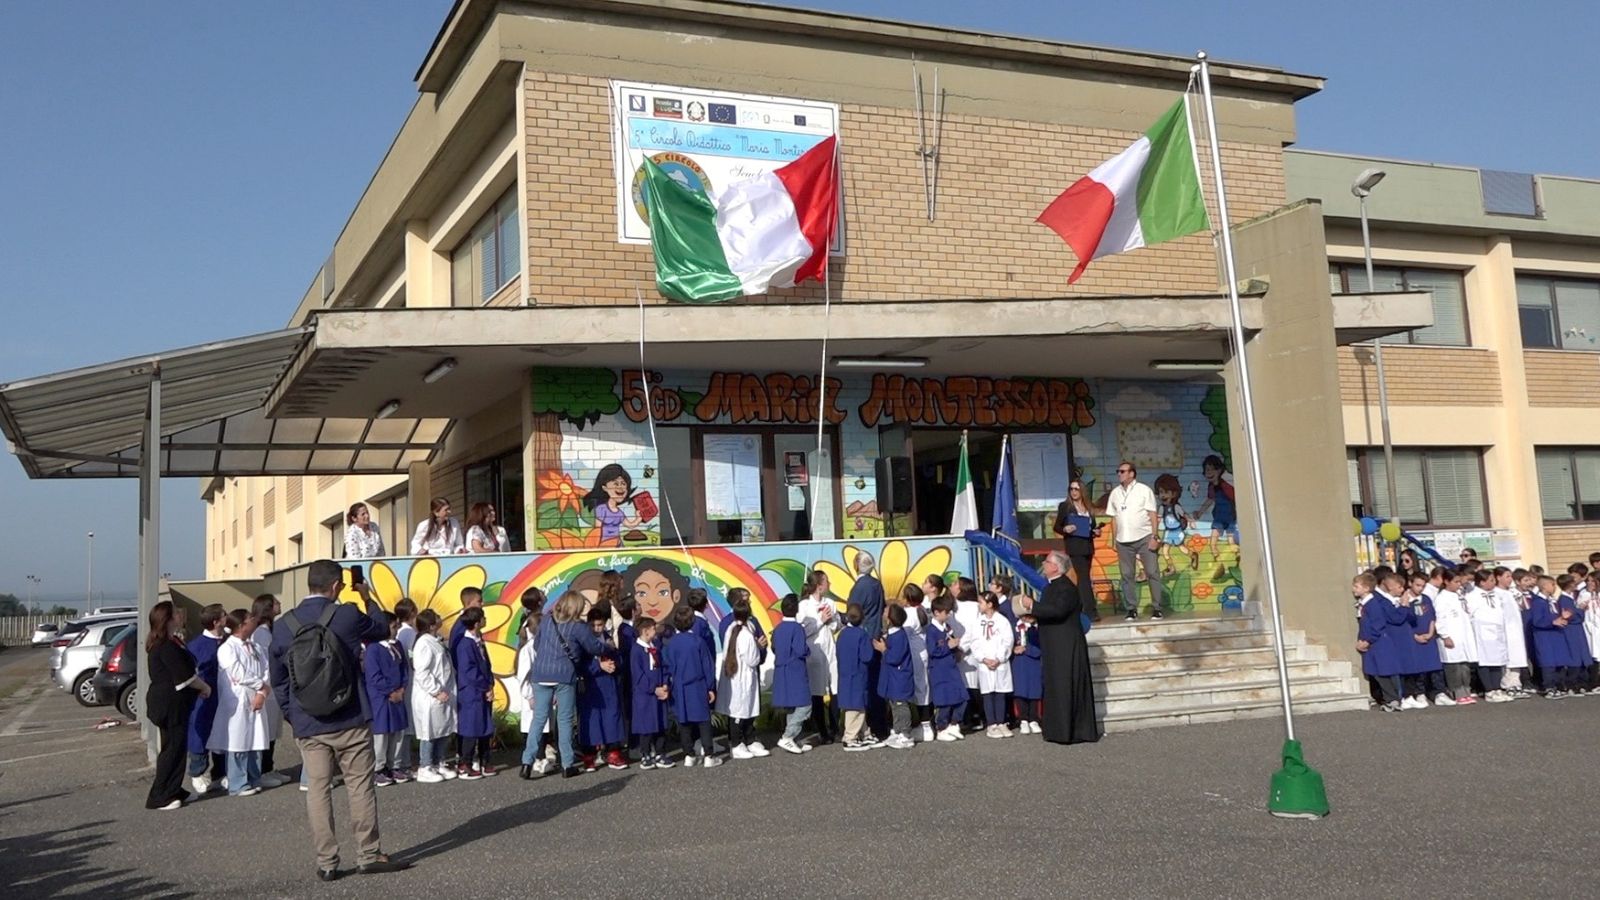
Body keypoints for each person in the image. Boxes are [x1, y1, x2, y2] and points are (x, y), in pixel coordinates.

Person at [267, 559, 408, 880]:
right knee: (360, 786)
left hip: (309, 722)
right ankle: (368, 854)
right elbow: (381, 628)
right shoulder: (345, 614)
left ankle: (327, 863)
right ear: (335, 587)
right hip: (351, 717)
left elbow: (278, 679)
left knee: (318, 790)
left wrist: (292, 714)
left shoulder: (283, 624)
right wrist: (367, 597)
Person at [528, 590, 606, 778]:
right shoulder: (577, 626)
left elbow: (537, 645)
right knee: (564, 720)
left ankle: (526, 762)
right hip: (564, 674)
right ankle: (567, 764)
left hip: (541, 673)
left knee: (538, 719)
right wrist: (607, 647)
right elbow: (593, 647)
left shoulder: (547, 620)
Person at [146, 601, 210, 811]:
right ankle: (159, 795)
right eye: (176, 613)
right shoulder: (164, 646)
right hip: (168, 705)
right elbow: (184, 675)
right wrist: (204, 687)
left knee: (178, 747)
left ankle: (174, 788)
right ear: (168, 619)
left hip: (177, 704)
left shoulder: (173, 641)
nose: (181, 615)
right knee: (171, 749)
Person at [1031, 551, 1099, 744]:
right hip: (1055, 645)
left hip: (1066, 645)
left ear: (1055, 567)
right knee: (1056, 686)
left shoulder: (1066, 588)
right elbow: (1050, 612)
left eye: (1047, 561)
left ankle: (1070, 731)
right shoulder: (1051, 587)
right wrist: (1035, 615)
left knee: (1066, 685)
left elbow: (1058, 610)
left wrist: (1033, 606)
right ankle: (1056, 729)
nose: (1044, 564)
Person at [209, 611, 273, 796]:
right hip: (238, 701)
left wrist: (262, 692)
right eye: (250, 619)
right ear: (241, 625)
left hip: (257, 698)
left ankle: (254, 777)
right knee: (238, 742)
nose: (254, 621)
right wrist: (260, 685)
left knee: (256, 739)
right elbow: (238, 673)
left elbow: (266, 669)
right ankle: (238, 783)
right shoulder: (227, 648)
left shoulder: (255, 647)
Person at [1105, 461, 1164, 621]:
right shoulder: (1115, 493)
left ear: (1132, 473)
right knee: (1127, 575)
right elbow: (1114, 518)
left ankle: (1157, 608)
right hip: (1123, 540)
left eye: (1123, 471)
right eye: (1118, 471)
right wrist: (1113, 539)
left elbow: (1153, 515)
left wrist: (1155, 536)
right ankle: (1131, 609)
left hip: (1144, 537)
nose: (1119, 474)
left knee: (1152, 572)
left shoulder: (1144, 490)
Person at [664, 605, 719, 768]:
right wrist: (710, 687)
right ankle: (709, 754)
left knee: (684, 721)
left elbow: (668, 666)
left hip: (679, 686)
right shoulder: (698, 641)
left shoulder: (671, 643)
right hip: (697, 685)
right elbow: (707, 665)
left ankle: (689, 754)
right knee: (703, 720)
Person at [410, 610, 458, 784]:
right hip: (430, 697)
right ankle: (425, 766)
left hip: (444, 694)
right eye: (437, 617)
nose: (440, 618)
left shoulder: (436, 641)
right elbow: (422, 672)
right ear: (431, 625)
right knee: (429, 732)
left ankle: (439, 762)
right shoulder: (423, 643)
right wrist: (436, 690)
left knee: (443, 730)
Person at [248, 594, 291, 788]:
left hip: (273, 687)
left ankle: (269, 767)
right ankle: (263, 770)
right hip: (268, 687)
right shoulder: (262, 633)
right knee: (267, 731)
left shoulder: (268, 631)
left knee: (273, 730)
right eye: (275, 602)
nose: (279, 604)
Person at [364, 616, 412, 787]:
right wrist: (390, 691)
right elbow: (374, 676)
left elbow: (404, 669)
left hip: (397, 695)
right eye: (393, 626)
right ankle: (378, 768)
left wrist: (402, 689)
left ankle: (395, 765)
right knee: (382, 733)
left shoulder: (397, 645)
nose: (396, 629)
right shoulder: (374, 649)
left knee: (398, 731)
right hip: (381, 698)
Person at [579, 604, 628, 771]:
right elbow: (580, 664)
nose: (596, 628)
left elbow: (619, 659)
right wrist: (599, 665)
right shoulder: (584, 641)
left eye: (599, 625)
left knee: (612, 716)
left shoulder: (608, 639)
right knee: (591, 719)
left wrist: (613, 664)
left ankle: (613, 752)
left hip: (608, 684)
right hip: (591, 685)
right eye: (593, 625)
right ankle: (589, 755)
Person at [186, 603, 228, 795]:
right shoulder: (196, 646)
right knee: (201, 734)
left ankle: (220, 773)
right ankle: (198, 772)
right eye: (224, 615)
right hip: (204, 699)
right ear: (215, 621)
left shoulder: (228, 641)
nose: (227, 617)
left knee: (223, 733)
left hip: (226, 697)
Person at [718, 598, 767, 760]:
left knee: (742, 709)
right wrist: (759, 647)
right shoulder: (745, 634)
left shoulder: (732, 628)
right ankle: (736, 743)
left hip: (736, 676)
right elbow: (753, 659)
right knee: (739, 711)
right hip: (743, 676)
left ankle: (749, 739)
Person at [1357, 572, 1412, 711]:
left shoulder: (1373, 604)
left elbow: (1378, 623)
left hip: (1378, 642)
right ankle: (1392, 699)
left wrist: (1367, 640)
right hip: (1374, 641)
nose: (1354, 589)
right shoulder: (1368, 603)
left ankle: (1392, 699)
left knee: (1382, 672)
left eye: (1356, 586)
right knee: (1379, 672)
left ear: (1366, 588)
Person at [797, 570, 840, 744]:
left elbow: (837, 625)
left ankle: (836, 728)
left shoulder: (830, 602)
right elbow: (803, 632)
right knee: (817, 692)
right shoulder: (804, 606)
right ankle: (822, 731)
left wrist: (831, 621)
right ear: (819, 586)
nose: (829, 584)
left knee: (835, 688)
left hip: (830, 650)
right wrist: (821, 620)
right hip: (814, 653)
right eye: (826, 581)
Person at [452, 607, 495, 779]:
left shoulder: (479, 640)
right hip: (471, 692)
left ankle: (485, 760)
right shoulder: (465, 644)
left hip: (484, 690)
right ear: (477, 623)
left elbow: (487, 665)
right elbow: (469, 671)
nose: (485, 620)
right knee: (471, 727)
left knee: (485, 726)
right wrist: (485, 686)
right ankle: (465, 763)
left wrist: (490, 684)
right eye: (483, 618)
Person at [516, 588, 555, 779]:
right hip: (533, 694)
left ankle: (539, 757)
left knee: (543, 726)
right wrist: (529, 695)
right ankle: (535, 760)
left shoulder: (540, 646)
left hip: (543, 691)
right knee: (535, 726)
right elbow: (523, 675)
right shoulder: (528, 650)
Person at [628, 616, 673, 770]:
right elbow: (638, 675)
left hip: (660, 692)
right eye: (654, 628)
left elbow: (663, 667)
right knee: (646, 725)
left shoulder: (656, 647)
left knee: (660, 724)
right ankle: (645, 754)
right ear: (645, 631)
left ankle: (661, 753)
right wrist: (653, 689)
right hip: (645, 695)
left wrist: (665, 684)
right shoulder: (636, 650)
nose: (656, 631)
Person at [771, 593, 813, 755]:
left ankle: (791, 738)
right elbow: (801, 649)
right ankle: (788, 736)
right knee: (804, 705)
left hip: (781, 670)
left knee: (790, 706)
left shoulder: (778, 629)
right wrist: (808, 650)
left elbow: (774, 648)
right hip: (795, 669)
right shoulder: (797, 629)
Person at [1053, 480, 1101, 622]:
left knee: (1085, 578)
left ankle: (1081, 608)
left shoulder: (1088, 507)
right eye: (1071, 489)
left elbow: (1091, 526)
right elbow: (1057, 526)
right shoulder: (1066, 506)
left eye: (1076, 489)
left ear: (1082, 491)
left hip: (1087, 546)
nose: (1074, 492)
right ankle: (1090, 610)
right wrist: (1065, 529)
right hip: (1075, 545)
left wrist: (1095, 531)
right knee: (1084, 577)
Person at [971, 592, 1016, 737]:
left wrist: (999, 658)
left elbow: (1007, 641)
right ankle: (992, 724)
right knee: (988, 693)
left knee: (1000, 692)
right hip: (985, 664)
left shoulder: (1002, 621)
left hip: (999, 663)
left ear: (990, 604)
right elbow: (975, 642)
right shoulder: (978, 622)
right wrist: (983, 658)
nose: (979, 606)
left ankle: (1001, 722)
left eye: (981, 603)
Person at [835, 602, 877, 751]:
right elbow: (867, 656)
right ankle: (850, 737)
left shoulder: (842, 634)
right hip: (859, 674)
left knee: (853, 705)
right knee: (857, 706)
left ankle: (865, 733)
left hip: (845, 673)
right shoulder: (862, 635)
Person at [1432, 569, 1478, 705]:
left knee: (1464, 665)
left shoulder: (1459, 595)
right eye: (1456, 582)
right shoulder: (1441, 598)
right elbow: (1440, 619)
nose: (1459, 584)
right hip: (1451, 636)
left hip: (1463, 635)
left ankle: (1466, 690)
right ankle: (1456, 691)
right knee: (1453, 666)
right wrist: (1445, 636)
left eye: (1460, 582)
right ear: (1446, 582)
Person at [873, 604, 916, 750]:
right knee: (893, 704)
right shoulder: (893, 633)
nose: (883, 613)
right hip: (893, 678)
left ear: (890, 619)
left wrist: (883, 649)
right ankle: (897, 730)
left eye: (886, 611)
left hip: (899, 678)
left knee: (900, 705)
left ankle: (905, 734)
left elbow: (895, 657)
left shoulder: (899, 636)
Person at [1466, 570, 1512, 703]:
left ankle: (1497, 688)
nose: (1494, 582)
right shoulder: (1472, 596)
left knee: (1497, 661)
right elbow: (1470, 613)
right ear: (1482, 582)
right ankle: (1489, 690)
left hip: (1497, 631)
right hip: (1482, 631)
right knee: (1485, 660)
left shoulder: (1496, 595)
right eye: (1491, 580)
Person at [926, 594, 967, 742]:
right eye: (946, 612)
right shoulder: (932, 630)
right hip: (939, 669)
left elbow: (951, 642)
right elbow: (932, 650)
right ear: (937, 613)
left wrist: (956, 649)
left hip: (951, 667)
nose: (949, 614)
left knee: (962, 696)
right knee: (944, 700)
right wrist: (948, 647)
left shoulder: (946, 627)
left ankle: (954, 724)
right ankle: (941, 727)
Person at [1401, 574, 1446, 709]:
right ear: (1410, 583)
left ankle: (1439, 693)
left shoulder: (1426, 599)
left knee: (1434, 666)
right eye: (1417, 585)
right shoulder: (1404, 600)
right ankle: (1419, 693)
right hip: (1414, 638)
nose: (1420, 589)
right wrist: (1414, 636)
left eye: (1423, 586)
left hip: (1428, 636)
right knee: (1418, 667)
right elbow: (1404, 622)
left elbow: (1432, 617)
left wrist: (1431, 632)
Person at [1528, 575, 1574, 698]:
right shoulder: (1538, 602)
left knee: (1559, 661)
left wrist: (1563, 616)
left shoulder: (1553, 601)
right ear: (1544, 586)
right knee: (1548, 662)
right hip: (1545, 637)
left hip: (1556, 635)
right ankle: (1549, 687)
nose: (1554, 587)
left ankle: (1558, 685)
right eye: (1552, 584)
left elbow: (1556, 616)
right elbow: (1537, 621)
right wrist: (1552, 622)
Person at [900, 583, 933, 742]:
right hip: (923, 649)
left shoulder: (908, 614)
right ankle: (926, 724)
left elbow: (903, 633)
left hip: (914, 653)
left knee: (919, 689)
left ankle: (924, 725)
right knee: (924, 688)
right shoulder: (924, 610)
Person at [1193, 455, 1237, 558]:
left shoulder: (1226, 483)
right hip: (1218, 518)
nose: (1209, 473)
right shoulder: (1212, 487)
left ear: (1219, 470)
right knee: (1212, 543)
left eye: (1212, 469)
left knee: (1231, 542)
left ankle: (1239, 560)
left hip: (1230, 517)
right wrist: (1199, 512)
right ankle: (1218, 561)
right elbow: (1209, 500)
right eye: (1207, 470)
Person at [1011, 610, 1044, 733]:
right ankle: (1023, 719)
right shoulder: (1014, 627)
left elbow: (1040, 647)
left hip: (1034, 663)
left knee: (1034, 691)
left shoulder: (1037, 629)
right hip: (1019, 663)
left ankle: (1034, 718)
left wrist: (1026, 649)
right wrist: (1013, 649)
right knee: (1020, 690)